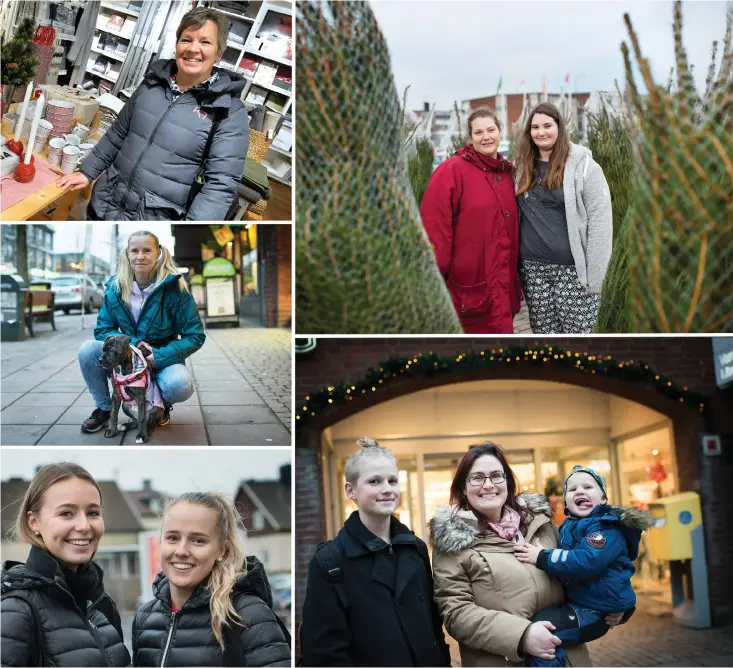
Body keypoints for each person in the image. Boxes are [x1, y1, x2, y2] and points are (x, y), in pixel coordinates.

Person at [430, 442, 624, 667]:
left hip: (569, 658)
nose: (488, 485)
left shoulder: (541, 524)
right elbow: (457, 613)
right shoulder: (452, 544)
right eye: (477, 477)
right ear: (463, 487)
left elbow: (582, 569)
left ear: (508, 482)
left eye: (496, 476)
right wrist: (523, 635)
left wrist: (617, 603)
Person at [57, 7, 250, 221]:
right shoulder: (152, 84)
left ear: (218, 53)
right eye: (186, 39)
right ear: (177, 44)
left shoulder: (229, 111)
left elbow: (220, 185)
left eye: (205, 42)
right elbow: (118, 133)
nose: (193, 49)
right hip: (105, 204)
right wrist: (87, 171)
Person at [300, 437, 451, 667]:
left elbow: (433, 628)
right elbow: (325, 655)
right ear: (350, 490)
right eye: (374, 481)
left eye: (392, 481)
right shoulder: (330, 562)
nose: (387, 489)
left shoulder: (416, 548)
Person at [132, 492, 291, 666]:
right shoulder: (145, 618)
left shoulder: (247, 615)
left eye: (198, 540)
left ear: (221, 550)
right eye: (172, 538)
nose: (181, 550)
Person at [514, 465, 651, 667]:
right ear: (566, 503)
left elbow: (588, 561)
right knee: (541, 628)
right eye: (572, 489)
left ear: (603, 499)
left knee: (542, 634)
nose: (580, 491)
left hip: (595, 611)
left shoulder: (606, 528)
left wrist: (542, 557)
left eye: (588, 487)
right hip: (581, 603)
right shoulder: (569, 526)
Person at [0, 463, 131, 667]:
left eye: (93, 513)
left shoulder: (103, 605)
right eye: (66, 513)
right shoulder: (15, 611)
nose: (84, 526)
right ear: (34, 522)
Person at [78, 230, 204, 435]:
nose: (140, 256)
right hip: (128, 359)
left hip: (162, 357)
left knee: (181, 384)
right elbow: (103, 329)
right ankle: (104, 409)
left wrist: (160, 356)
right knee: (88, 350)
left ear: (158, 253)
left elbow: (195, 336)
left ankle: (158, 407)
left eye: (147, 250)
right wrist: (134, 345)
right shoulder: (115, 288)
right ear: (127, 254)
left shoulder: (175, 290)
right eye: (134, 251)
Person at [513, 102, 612, 333]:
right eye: (535, 127)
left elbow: (600, 221)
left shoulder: (585, 167)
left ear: (559, 127)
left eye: (547, 125)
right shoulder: (521, 167)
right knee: (546, 341)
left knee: (581, 339)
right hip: (534, 269)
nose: (541, 132)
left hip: (573, 271)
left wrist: (596, 277)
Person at [421, 107, 520, 334]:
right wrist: (434, 282)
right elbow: (435, 228)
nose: (486, 137)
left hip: (503, 289)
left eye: (491, 130)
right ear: (470, 137)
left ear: (500, 131)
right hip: (470, 291)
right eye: (478, 132)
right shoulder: (452, 170)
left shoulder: (507, 174)